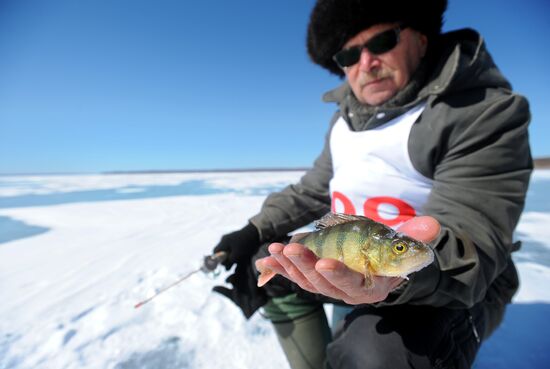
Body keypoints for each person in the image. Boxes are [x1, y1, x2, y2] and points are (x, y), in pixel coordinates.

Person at [212, 0, 533, 368]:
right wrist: (253, 230)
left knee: (375, 352)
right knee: (265, 265)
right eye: (349, 54)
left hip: (449, 283)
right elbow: (313, 190)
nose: (366, 62)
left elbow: (473, 240)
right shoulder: (343, 123)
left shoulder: (482, 113)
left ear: (422, 38)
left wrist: (399, 277)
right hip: (364, 257)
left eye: (382, 41)